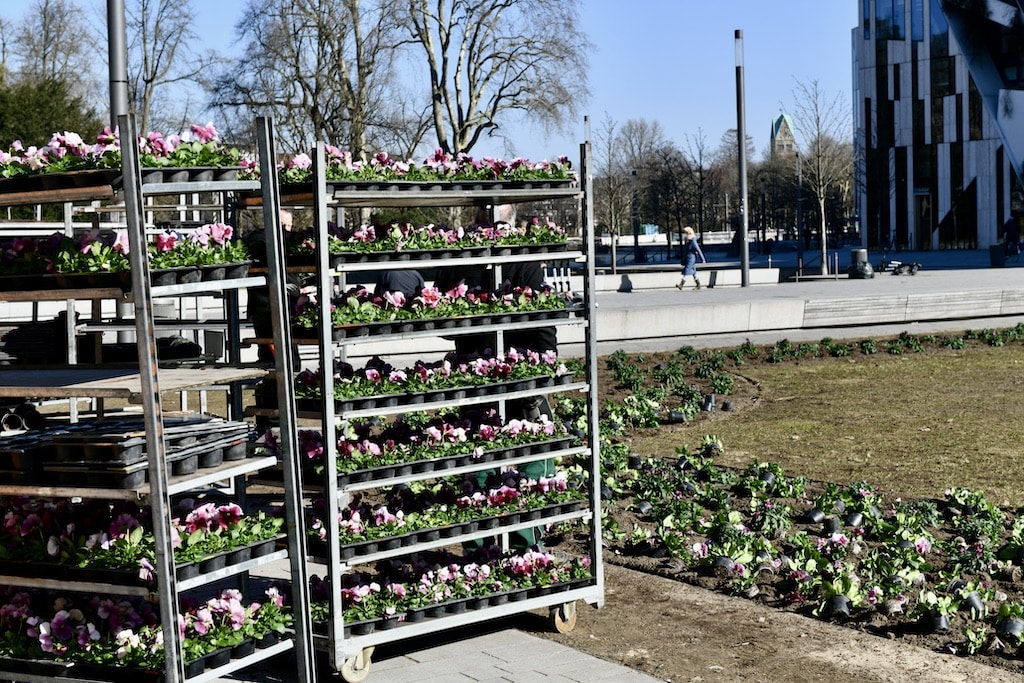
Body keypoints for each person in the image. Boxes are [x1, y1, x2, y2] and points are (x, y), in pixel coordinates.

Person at [676, 226, 706, 290]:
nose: (685, 234)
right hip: (688, 258)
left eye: (685, 233)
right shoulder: (688, 241)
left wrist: (702, 259)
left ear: (688, 233)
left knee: (687, 269)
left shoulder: (692, 241)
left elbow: (698, 249)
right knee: (693, 271)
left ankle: (681, 284)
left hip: (691, 258)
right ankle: (698, 284)